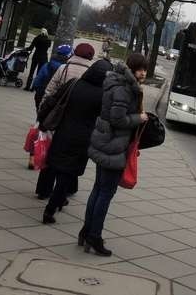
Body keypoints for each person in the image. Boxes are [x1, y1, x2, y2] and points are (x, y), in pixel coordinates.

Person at [83, 53, 149, 256]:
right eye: (140, 69)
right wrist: (140, 118)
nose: (144, 73)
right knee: (105, 193)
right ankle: (94, 236)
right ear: (132, 68)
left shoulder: (118, 82)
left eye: (145, 70)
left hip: (105, 141)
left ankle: (86, 233)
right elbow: (117, 119)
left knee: (98, 189)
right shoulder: (124, 88)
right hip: (113, 146)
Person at [42, 60, 113, 224]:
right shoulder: (102, 95)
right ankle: (50, 209)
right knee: (67, 174)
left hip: (62, 132)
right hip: (83, 139)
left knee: (57, 168)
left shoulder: (74, 84)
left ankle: (56, 199)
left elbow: (53, 100)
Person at [34, 42, 95, 199]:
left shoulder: (63, 68)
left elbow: (49, 92)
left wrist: (42, 114)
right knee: (72, 157)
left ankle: (43, 189)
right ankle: (67, 189)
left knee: (51, 153)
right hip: (78, 121)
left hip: (57, 118)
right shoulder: (91, 74)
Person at [31, 44, 72, 111]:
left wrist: (37, 90)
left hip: (41, 93)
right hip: (56, 98)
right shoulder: (65, 69)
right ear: (68, 56)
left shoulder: (47, 65)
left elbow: (38, 80)